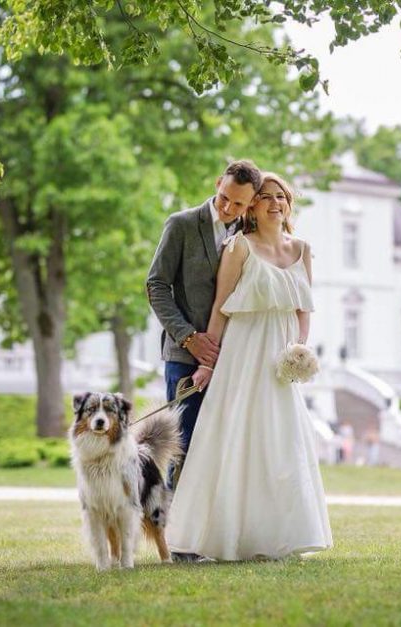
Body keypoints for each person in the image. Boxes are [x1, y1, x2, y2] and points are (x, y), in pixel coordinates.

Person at [164, 172, 333, 561]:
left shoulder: (303, 249)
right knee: (236, 439)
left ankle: (278, 536)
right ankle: (220, 536)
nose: (276, 203)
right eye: (267, 197)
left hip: (280, 361)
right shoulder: (238, 246)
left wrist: (298, 350)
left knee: (279, 443)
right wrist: (207, 362)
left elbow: (303, 310)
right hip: (242, 353)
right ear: (253, 207)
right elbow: (221, 307)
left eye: (282, 197)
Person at [146, 159, 263, 561]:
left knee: (221, 447)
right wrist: (188, 337)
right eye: (225, 198)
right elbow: (156, 285)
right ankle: (177, 541)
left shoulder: (249, 232)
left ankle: (214, 534)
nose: (228, 209)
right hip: (185, 356)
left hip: (235, 360)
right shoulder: (180, 224)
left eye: (238, 205)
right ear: (218, 184)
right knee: (184, 445)